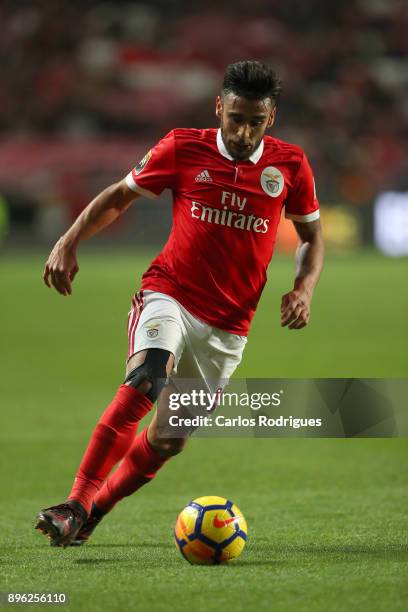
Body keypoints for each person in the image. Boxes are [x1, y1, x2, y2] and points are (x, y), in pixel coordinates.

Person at [35, 60, 324, 547]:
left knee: (168, 439)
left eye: (256, 121)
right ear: (219, 108)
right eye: (236, 117)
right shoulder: (182, 146)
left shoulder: (290, 165)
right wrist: (69, 240)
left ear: (270, 118)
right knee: (147, 378)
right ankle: (75, 501)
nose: (244, 131)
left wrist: (303, 289)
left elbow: (312, 238)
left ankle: (94, 511)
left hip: (229, 325)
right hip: (169, 293)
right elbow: (119, 196)